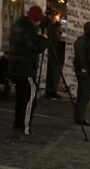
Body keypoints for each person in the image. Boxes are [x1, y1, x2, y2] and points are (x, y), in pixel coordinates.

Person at [8, 5, 48, 134]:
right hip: (25, 68)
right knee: (31, 97)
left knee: (21, 97)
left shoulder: (18, 24)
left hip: (16, 67)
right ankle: (25, 126)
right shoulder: (28, 29)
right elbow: (33, 49)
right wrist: (44, 40)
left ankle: (18, 123)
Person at [73, 21, 90, 126]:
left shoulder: (80, 40)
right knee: (84, 96)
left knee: (81, 95)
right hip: (88, 73)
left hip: (81, 71)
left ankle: (78, 116)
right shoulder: (89, 44)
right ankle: (80, 118)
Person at [45, 14, 64, 99]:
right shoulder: (53, 31)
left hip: (55, 56)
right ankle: (51, 91)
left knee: (54, 75)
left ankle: (52, 91)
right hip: (53, 56)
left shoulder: (55, 32)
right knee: (53, 75)